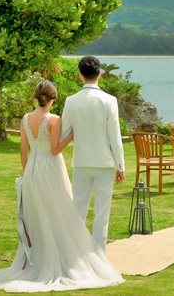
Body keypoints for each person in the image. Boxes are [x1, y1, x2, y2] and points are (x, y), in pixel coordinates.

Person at [0, 80, 124, 292]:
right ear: (53, 99)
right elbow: (55, 150)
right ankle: (64, 258)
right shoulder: (53, 119)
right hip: (52, 170)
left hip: (33, 171)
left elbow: (23, 151)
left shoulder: (26, 119)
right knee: (59, 212)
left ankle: (40, 257)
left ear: (37, 97)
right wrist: (72, 136)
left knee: (38, 216)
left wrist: (28, 174)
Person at [60, 56, 126, 251]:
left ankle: (74, 253)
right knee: (102, 213)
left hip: (81, 162)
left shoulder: (71, 101)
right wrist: (120, 166)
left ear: (80, 75)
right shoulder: (109, 100)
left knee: (78, 210)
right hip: (104, 163)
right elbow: (115, 137)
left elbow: (64, 133)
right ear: (100, 74)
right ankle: (99, 255)